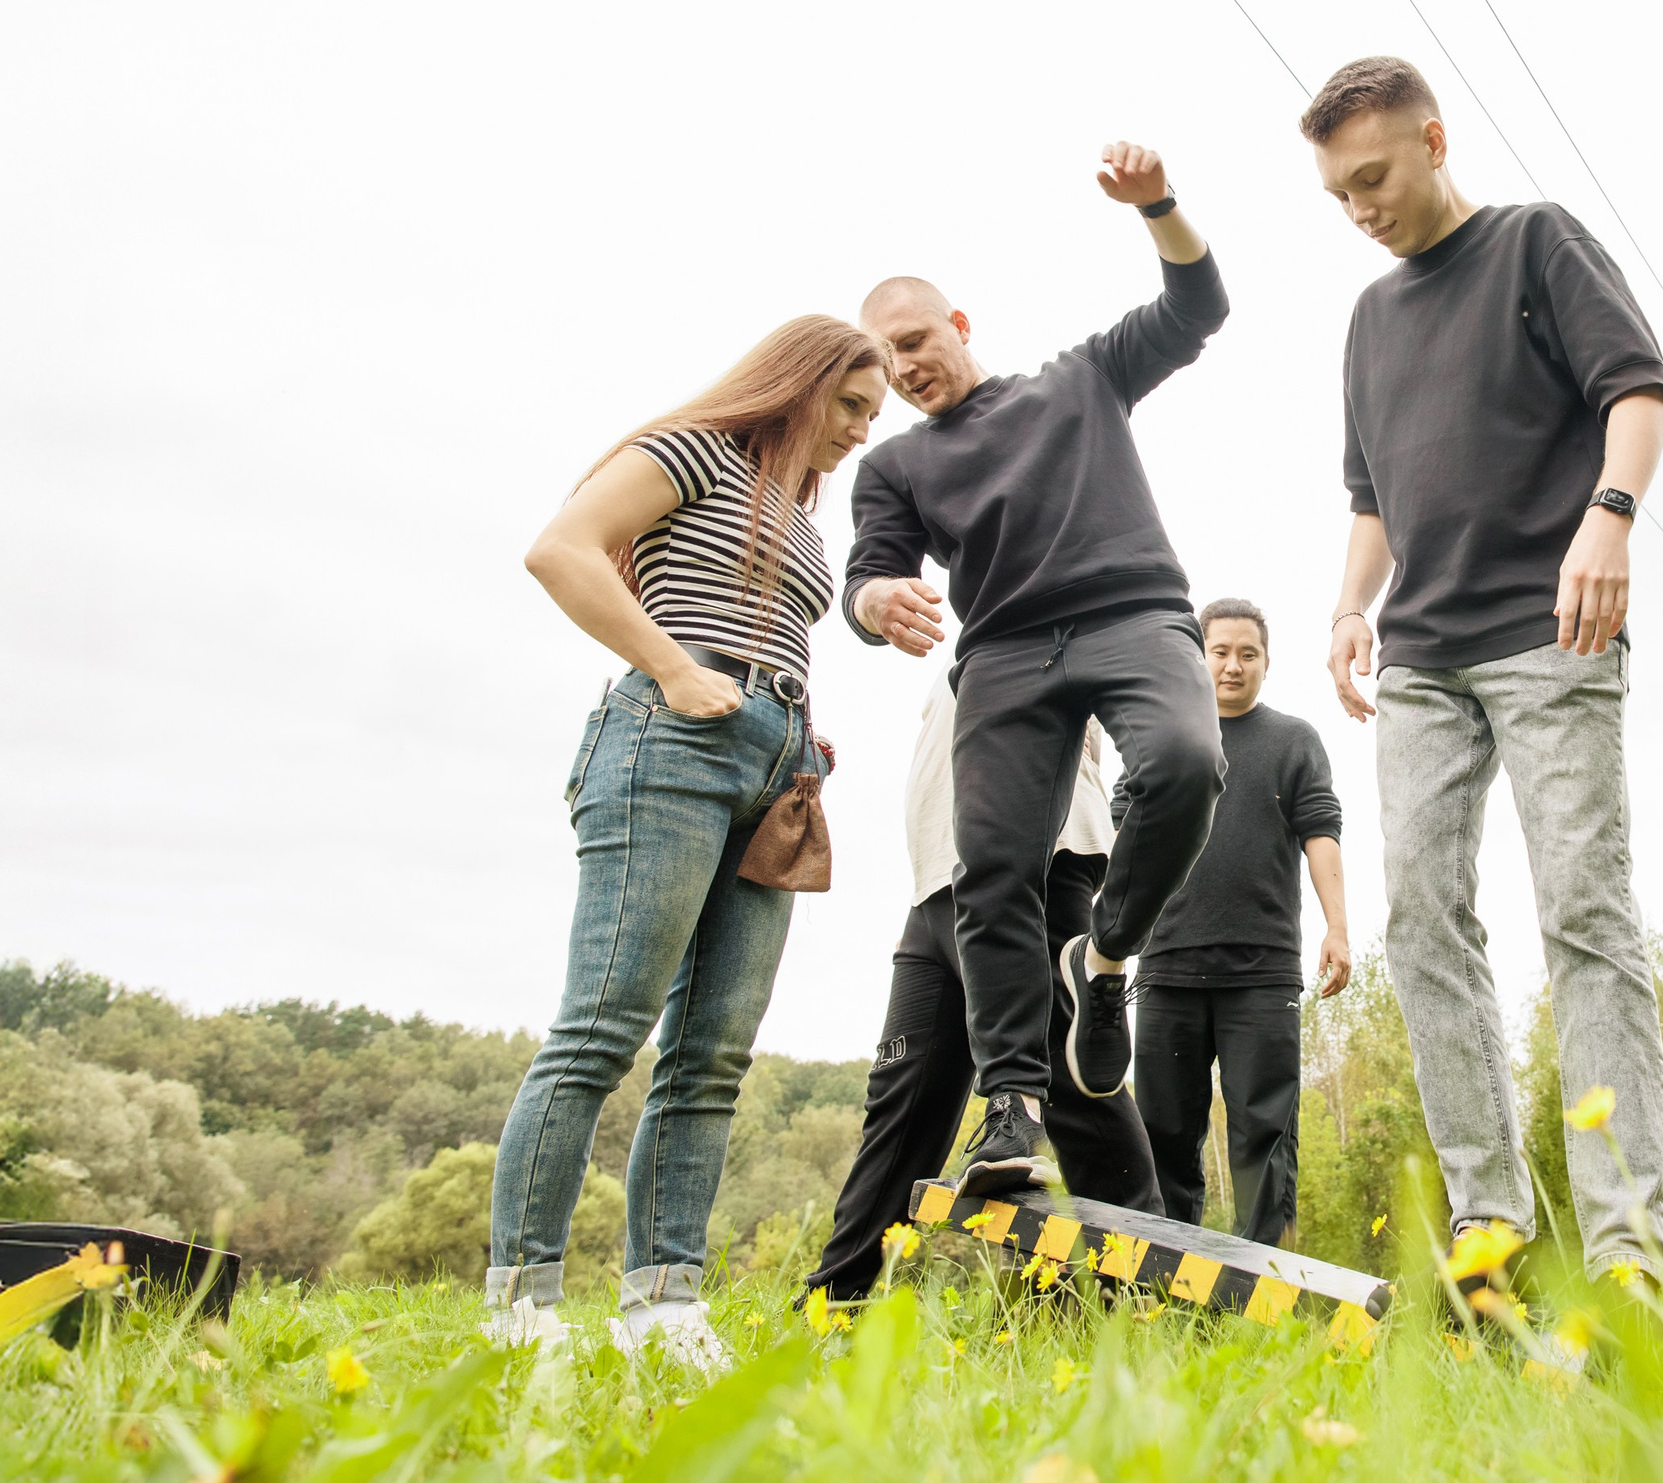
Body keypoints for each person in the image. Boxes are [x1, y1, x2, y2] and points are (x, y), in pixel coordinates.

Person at [1301, 57, 1663, 1283]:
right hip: (1422, 659)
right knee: (1421, 921)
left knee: (1582, 911)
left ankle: (1623, 1245)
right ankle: (1491, 1223)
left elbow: (1636, 390)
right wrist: (1350, 607)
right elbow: (1372, 497)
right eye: (1338, 193)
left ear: (1432, 140)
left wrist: (1609, 519)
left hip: (1549, 633)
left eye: (1372, 178)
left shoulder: (1533, 244)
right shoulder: (1370, 319)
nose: (1359, 208)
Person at [488, 316, 892, 1362]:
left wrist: (797, 737)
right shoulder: (696, 448)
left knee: (713, 1053)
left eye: (872, 414)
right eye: (850, 404)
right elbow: (559, 550)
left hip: (775, 769)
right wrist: (673, 669)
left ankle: (664, 1305)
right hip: (669, 743)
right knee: (602, 1028)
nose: (860, 430)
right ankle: (522, 1305)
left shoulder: (800, 517)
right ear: (797, 383)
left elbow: (770, 634)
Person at [843, 143, 1229, 1195]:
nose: (904, 368)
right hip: (1005, 654)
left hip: (1132, 615)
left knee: (1186, 762)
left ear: (958, 325)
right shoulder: (895, 466)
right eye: (883, 361)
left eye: (914, 341)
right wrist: (875, 604)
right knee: (993, 871)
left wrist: (1158, 205)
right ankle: (1010, 1103)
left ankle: (1104, 958)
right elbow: (869, 574)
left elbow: (1197, 308)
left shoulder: (1079, 381)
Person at [803, 678, 1159, 1301]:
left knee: (1069, 1075)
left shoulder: (1049, 628)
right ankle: (836, 1300)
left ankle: (1142, 1285)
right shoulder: (973, 633)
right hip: (937, 878)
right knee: (904, 1100)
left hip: (1034, 864)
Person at [1125, 598, 1348, 1246]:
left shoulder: (1294, 740)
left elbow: (1322, 833)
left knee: (1264, 1138)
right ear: (1197, 658)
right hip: (1167, 966)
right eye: (1219, 651)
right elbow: (1124, 840)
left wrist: (1337, 927)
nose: (1232, 665)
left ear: (1266, 663)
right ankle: (1161, 1285)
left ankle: (1262, 1287)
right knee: (1163, 1137)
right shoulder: (1160, 739)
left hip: (1263, 971)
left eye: (1247, 653)